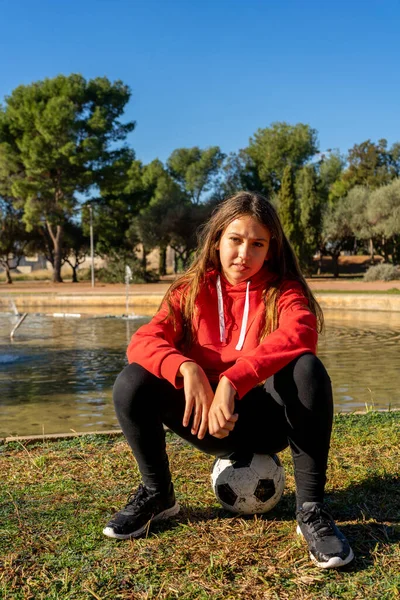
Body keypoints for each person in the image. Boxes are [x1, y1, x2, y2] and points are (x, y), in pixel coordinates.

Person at [103, 191, 354, 570]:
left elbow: (300, 333)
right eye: (235, 240)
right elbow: (143, 341)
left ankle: (311, 510)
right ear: (217, 239)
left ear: (270, 249)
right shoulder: (190, 291)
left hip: (269, 423)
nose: (243, 254)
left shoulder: (283, 290)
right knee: (132, 381)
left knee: (306, 368)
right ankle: (159, 495)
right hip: (205, 422)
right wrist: (186, 369)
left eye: (257, 244)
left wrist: (233, 381)